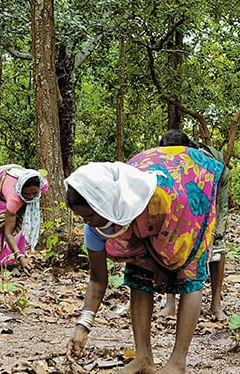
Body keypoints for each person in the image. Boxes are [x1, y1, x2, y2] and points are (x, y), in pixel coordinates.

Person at [65, 145, 224, 374]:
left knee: (188, 275)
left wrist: (164, 264)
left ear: (104, 203)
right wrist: (83, 326)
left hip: (184, 196)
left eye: (89, 215)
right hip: (144, 221)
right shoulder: (94, 227)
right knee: (138, 276)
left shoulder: (161, 199)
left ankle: (177, 363)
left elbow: (170, 242)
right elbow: (97, 279)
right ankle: (143, 358)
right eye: (81, 217)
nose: (86, 222)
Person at [158, 129, 231, 321]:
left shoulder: (215, 168)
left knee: (219, 250)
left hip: (208, 213)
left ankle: (216, 305)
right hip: (183, 213)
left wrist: (214, 234)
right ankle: (170, 303)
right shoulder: (165, 165)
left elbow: (221, 205)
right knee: (170, 245)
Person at [0, 164, 49, 272]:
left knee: (19, 225)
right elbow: (8, 234)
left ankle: (11, 261)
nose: (31, 197)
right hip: (0, 199)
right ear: (20, 190)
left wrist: (13, 219)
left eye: (34, 193)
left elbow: (24, 206)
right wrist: (20, 256)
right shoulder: (14, 199)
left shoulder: (42, 184)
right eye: (27, 194)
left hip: (14, 199)